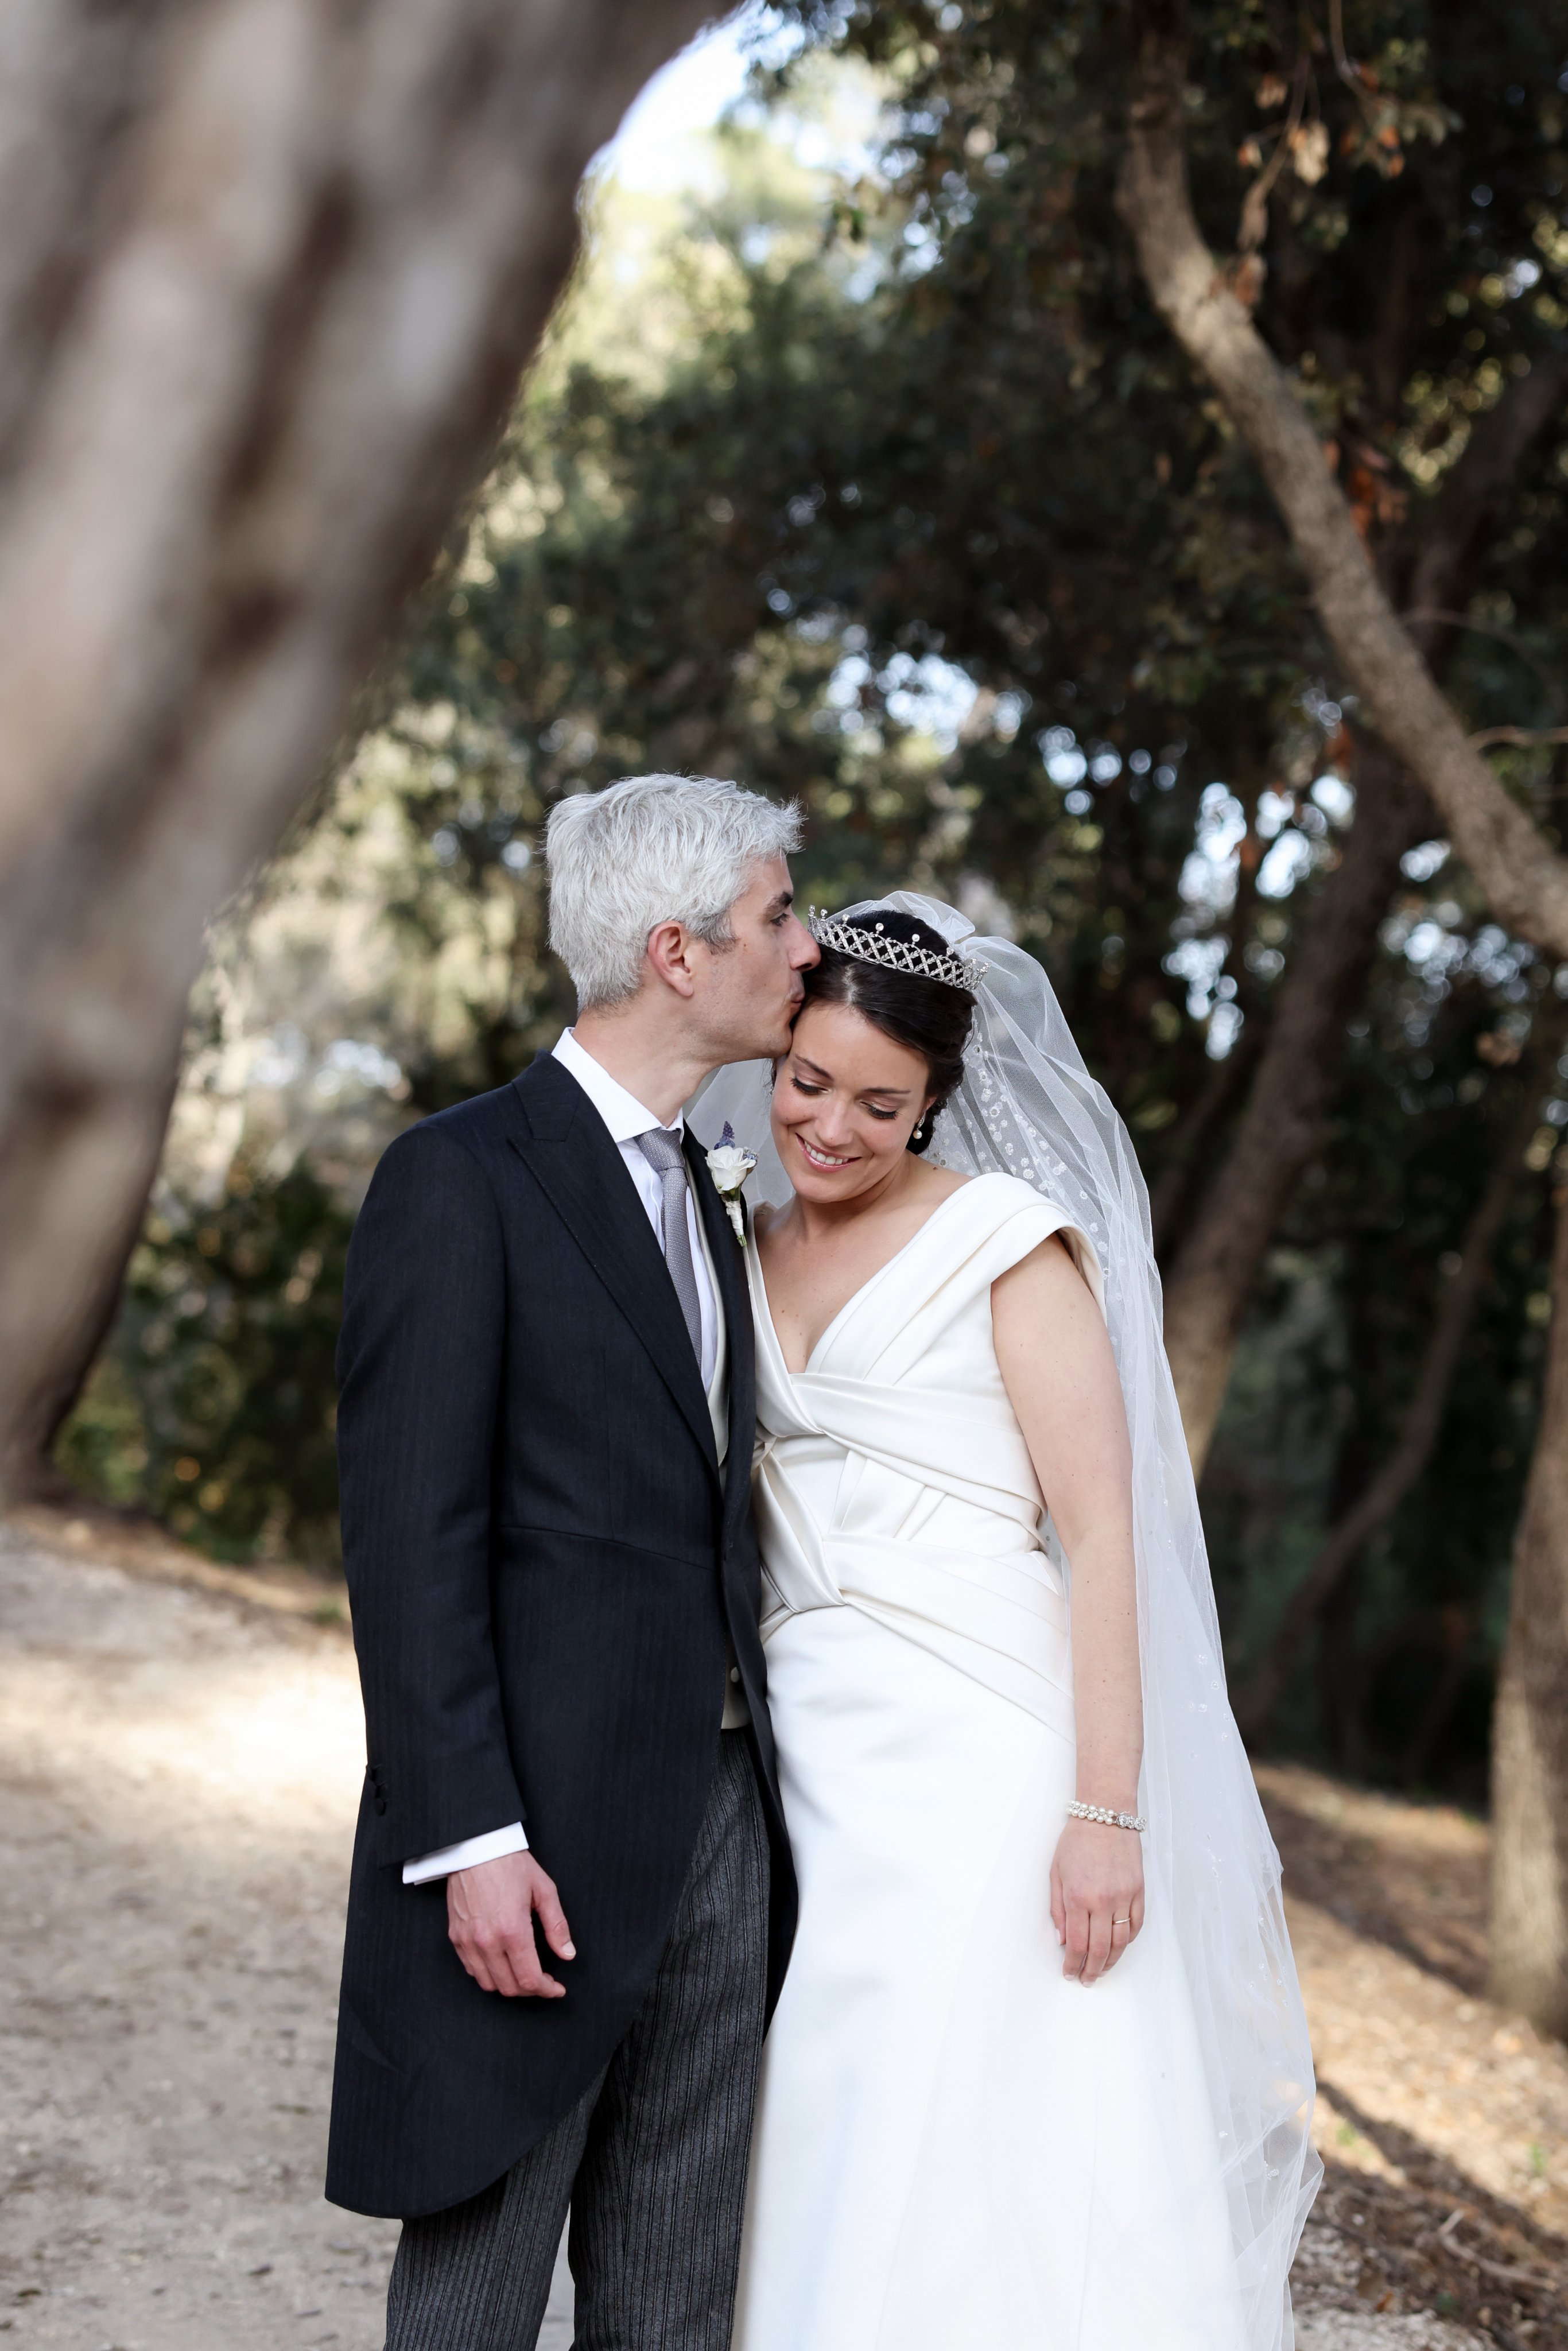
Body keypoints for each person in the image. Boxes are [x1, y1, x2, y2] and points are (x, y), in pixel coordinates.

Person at [697, 895, 1321, 2351]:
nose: (831, 1127)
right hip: (818, 1746)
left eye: (880, 1103)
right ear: (773, 1051)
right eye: (808, 1081)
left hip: (990, 1744)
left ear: (933, 1105)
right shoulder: (732, 1231)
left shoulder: (1007, 1243)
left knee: (991, 2101)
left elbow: (1103, 1528)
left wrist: (1106, 1807)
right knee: (842, 2090)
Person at [324, 775, 818, 2351]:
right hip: (527, 1846)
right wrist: (467, 1837)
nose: (805, 951)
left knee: (672, 2298)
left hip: (728, 1821)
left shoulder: (714, 1186)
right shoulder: (459, 1179)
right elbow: (410, 1540)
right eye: (780, 917)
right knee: (473, 2296)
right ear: (679, 952)